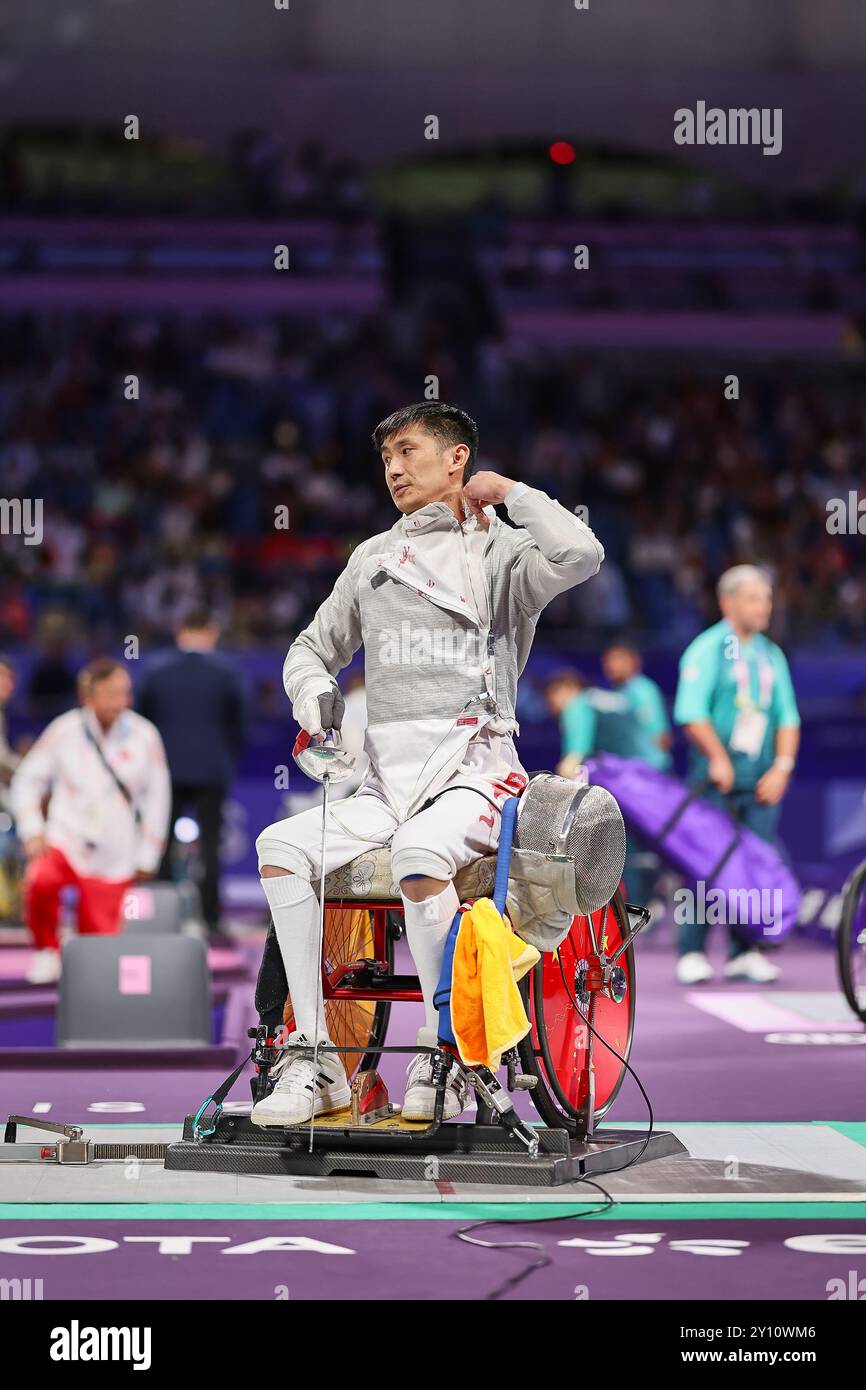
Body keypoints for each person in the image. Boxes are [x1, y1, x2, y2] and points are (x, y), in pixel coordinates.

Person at [253, 401, 604, 1126]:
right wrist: (315, 694)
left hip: (478, 771)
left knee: (418, 852)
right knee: (280, 846)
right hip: (388, 780)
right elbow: (309, 650)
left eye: (407, 451)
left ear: (456, 460)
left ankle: (445, 1053)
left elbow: (582, 555)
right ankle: (316, 1056)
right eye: (385, 458)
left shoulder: (503, 555)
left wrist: (512, 495)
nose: (392, 467)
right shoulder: (373, 559)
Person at [673, 565, 800, 985]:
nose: (764, 607)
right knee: (708, 863)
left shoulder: (771, 653)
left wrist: (782, 767)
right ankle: (691, 950)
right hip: (716, 780)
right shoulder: (708, 649)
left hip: (761, 780)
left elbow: (787, 718)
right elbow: (691, 714)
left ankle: (745, 951)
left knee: (756, 864)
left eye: (767, 598)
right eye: (754, 598)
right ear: (728, 603)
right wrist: (718, 757)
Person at [10, 658, 171, 984]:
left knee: (98, 951)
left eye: (124, 693)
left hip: (114, 850)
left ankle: (85, 977)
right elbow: (27, 780)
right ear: (87, 695)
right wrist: (32, 830)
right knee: (40, 879)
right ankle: (46, 951)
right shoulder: (64, 730)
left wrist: (148, 853)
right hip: (64, 838)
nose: (120, 702)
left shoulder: (144, 734)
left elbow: (158, 797)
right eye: (111, 694)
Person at [137, 611, 246, 940]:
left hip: (165, 771)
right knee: (210, 846)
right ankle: (211, 920)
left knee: (162, 841)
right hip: (211, 770)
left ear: (179, 631)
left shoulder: (157, 671)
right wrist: (224, 758)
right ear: (211, 633)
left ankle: (162, 918)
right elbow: (238, 726)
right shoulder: (227, 673)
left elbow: (143, 724)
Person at [601, 642, 672, 771]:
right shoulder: (617, 691)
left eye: (618, 658)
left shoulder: (643, 690)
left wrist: (657, 770)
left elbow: (661, 736)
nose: (611, 665)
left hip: (648, 771)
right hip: (625, 770)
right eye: (607, 660)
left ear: (634, 661)